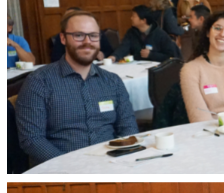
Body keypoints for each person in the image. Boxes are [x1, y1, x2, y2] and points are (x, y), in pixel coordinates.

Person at [17, 11, 139, 164]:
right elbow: (31, 139)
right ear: (63, 38)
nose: (87, 41)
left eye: (93, 35)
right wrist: (71, 165)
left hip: (110, 165)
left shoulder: (112, 82)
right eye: (79, 35)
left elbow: (128, 128)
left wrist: (119, 160)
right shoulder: (39, 82)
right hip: (60, 172)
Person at [112, 5, 181, 63]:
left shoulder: (160, 35)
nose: (131, 18)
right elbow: (124, 47)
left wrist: (151, 55)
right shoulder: (131, 32)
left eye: (134, 16)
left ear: (143, 20)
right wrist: (114, 56)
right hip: (136, 68)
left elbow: (172, 56)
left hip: (157, 70)